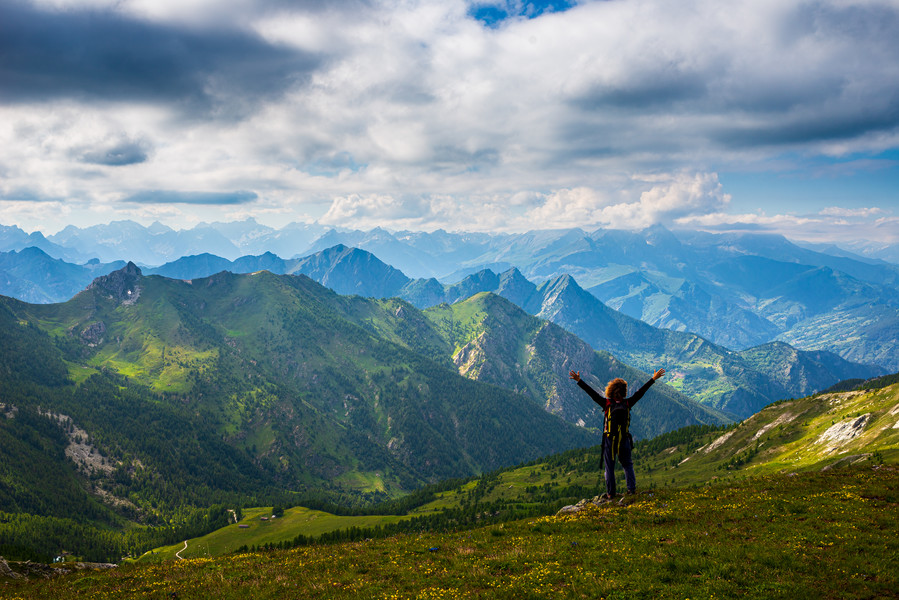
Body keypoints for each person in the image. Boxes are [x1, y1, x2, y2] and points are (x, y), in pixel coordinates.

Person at [569, 368, 665, 501]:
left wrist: (579, 381)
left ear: (611, 391)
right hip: (624, 439)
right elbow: (640, 392)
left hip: (610, 440)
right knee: (627, 464)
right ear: (624, 392)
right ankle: (631, 490)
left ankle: (610, 494)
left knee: (609, 467)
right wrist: (653, 379)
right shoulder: (628, 403)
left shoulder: (607, 404)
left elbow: (592, 393)